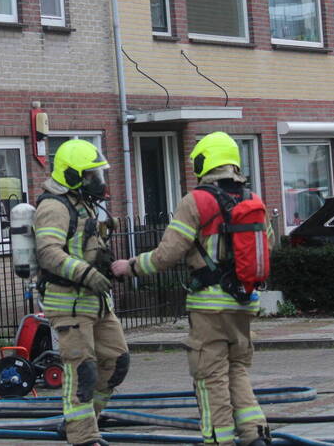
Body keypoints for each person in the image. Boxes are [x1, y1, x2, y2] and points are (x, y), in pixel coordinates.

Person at [112, 132, 271, 446]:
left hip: (210, 306)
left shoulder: (196, 200)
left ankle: (217, 439)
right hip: (244, 300)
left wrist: (129, 266)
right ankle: (255, 432)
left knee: (209, 374)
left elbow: (166, 254)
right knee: (237, 367)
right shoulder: (253, 199)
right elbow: (268, 247)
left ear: (204, 161)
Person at [34, 139, 129, 446]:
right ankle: (83, 436)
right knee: (82, 371)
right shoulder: (53, 207)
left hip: (96, 302)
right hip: (69, 303)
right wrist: (86, 273)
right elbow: (48, 252)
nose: (97, 181)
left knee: (116, 363)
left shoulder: (81, 202)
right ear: (72, 176)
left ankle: (82, 419)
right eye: (90, 175)